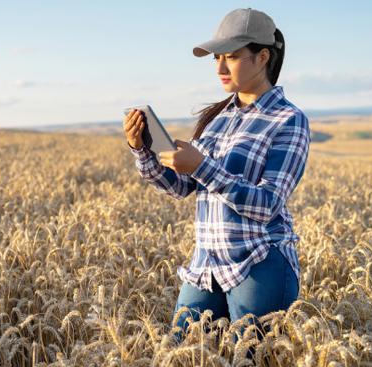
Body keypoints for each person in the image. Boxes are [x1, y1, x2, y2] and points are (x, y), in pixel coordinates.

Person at [122, 7, 311, 359]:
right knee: (178, 355)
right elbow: (181, 187)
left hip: (259, 264)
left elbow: (267, 204)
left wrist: (203, 166)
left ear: (263, 56)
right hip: (206, 266)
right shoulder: (218, 121)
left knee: (251, 359)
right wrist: (143, 150)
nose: (221, 68)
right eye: (217, 58)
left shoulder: (289, 120)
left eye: (233, 57)